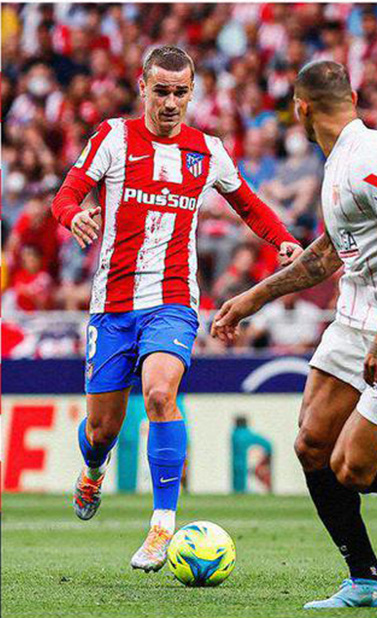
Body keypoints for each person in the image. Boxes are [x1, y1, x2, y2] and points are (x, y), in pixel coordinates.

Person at [212, 60, 377, 609]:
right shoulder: (340, 162)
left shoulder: (373, 159)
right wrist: (250, 299)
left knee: (352, 467)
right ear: (352, 97)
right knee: (311, 444)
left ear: (301, 109)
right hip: (358, 316)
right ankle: (367, 579)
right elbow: (325, 258)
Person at [51, 46, 302, 572]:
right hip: (112, 306)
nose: (170, 102)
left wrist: (282, 240)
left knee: (161, 393)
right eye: (160, 91)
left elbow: (248, 203)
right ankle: (93, 468)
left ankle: (163, 525)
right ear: (143, 87)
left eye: (180, 92)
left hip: (172, 299)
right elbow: (66, 193)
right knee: (101, 431)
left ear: (192, 92)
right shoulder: (113, 138)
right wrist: (74, 215)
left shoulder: (206, 150)